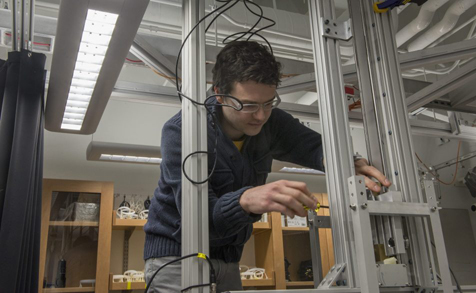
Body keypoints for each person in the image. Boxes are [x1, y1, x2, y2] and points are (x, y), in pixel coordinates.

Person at [143, 41, 390, 292]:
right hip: (176, 257)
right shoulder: (184, 130)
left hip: (227, 260)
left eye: (268, 103)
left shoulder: (272, 124)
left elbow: (317, 148)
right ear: (219, 93)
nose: (260, 115)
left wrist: (345, 162)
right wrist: (246, 199)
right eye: (248, 105)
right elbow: (200, 221)